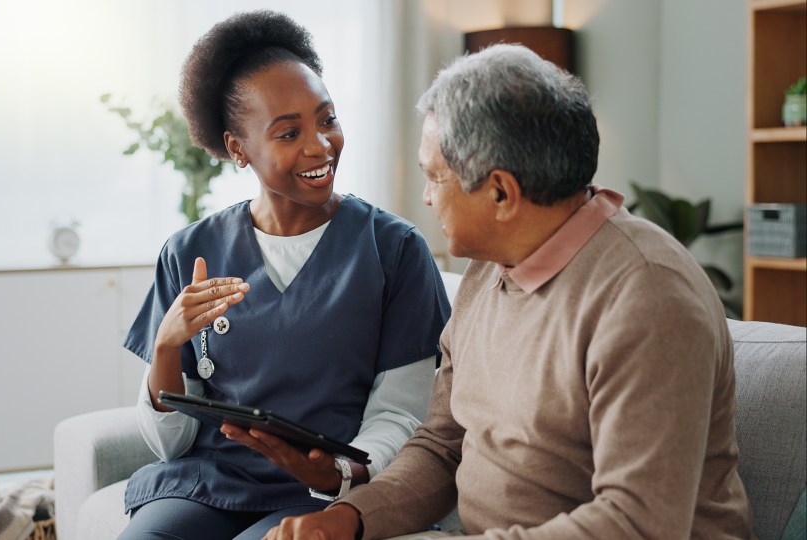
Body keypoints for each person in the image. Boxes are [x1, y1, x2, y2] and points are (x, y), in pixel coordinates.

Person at [266, 44, 754, 540]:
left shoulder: (647, 297)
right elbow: (442, 446)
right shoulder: (488, 269)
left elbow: (637, 523)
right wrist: (348, 519)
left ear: (500, 193)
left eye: (435, 177)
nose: (427, 197)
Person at [119, 10, 451, 540]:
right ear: (236, 147)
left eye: (328, 119)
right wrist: (164, 347)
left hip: (326, 493)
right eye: (289, 132)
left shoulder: (395, 251)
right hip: (208, 485)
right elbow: (170, 444)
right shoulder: (189, 252)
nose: (320, 145)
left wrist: (343, 472)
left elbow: (404, 415)